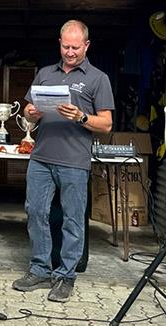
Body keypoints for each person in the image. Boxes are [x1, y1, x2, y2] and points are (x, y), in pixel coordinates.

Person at [12, 20, 113, 302]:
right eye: (66, 46)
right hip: (41, 156)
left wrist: (80, 116)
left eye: (76, 47)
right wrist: (31, 113)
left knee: (72, 219)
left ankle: (66, 276)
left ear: (87, 46)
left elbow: (106, 124)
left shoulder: (97, 78)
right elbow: (27, 118)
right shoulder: (44, 74)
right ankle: (40, 269)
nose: (70, 52)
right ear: (59, 43)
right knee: (35, 213)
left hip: (74, 160)